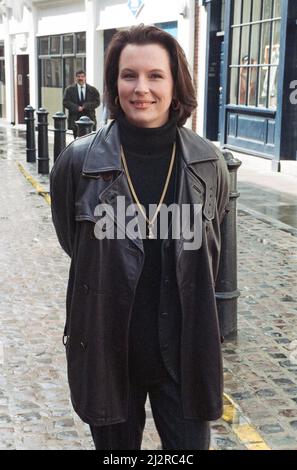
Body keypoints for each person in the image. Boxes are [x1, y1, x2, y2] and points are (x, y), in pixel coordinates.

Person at [50, 24, 230, 450]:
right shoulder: (78, 163)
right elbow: (73, 244)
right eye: (129, 75)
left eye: (155, 76)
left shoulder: (208, 164)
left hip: (184, 356)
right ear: (114, 82)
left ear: (175, 83)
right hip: (108, 350)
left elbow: (212, 252)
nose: (141, 89)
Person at [63, 69, 100, 138]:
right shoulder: (69, 90)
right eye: (78, 76)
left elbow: (97, 102)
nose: (80, 78)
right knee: (76, 139)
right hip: (75, 118)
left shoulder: (93, 90)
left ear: (85, 78)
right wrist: (77, 108)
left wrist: (86, 106)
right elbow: (65, 102)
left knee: (89, 139)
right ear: (76, 78)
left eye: (82, 76)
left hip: (89, 119)